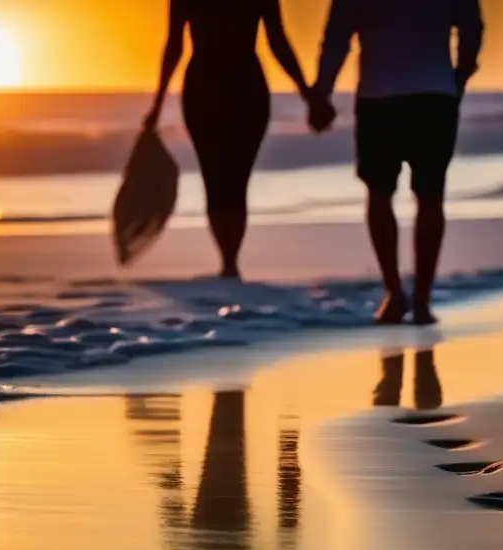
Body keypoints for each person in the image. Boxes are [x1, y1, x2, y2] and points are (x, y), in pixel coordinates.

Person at [308, 0, 485, 325]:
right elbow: (472, 26)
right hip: (433, 95)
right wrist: (459, 76)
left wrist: (322, 92)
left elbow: (337, 36)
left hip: (380, 96)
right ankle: (420, 300)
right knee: (429, 197)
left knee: (380, 194)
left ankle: (395, 292)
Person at [145, 0, 317, 279]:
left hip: (211, 84)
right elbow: (277, 40)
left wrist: (158, 103)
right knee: (228, 179)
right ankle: (229, 261)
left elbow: (174, 45)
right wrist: (306, 92)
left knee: (222, 179)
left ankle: (228, 261)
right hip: (239, 84)